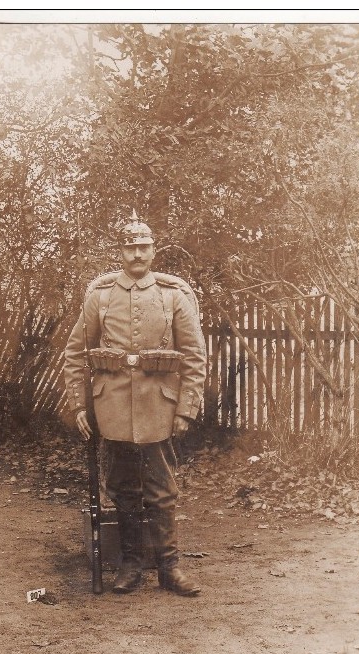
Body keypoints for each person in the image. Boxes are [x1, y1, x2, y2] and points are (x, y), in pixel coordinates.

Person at [64, 211, 207, 597]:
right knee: (123, 488)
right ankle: (130, 565)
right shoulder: (101, 296)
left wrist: (186, 408)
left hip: (159, 408)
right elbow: (76, 353)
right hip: (110, 410)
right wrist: (80, 406)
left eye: (144, 246)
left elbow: (194, 356)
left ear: (154, 251)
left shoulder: (173, 294)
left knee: (162, 489)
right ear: (121, 252)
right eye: (131, 247)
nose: (138, 254)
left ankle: (169, 568)